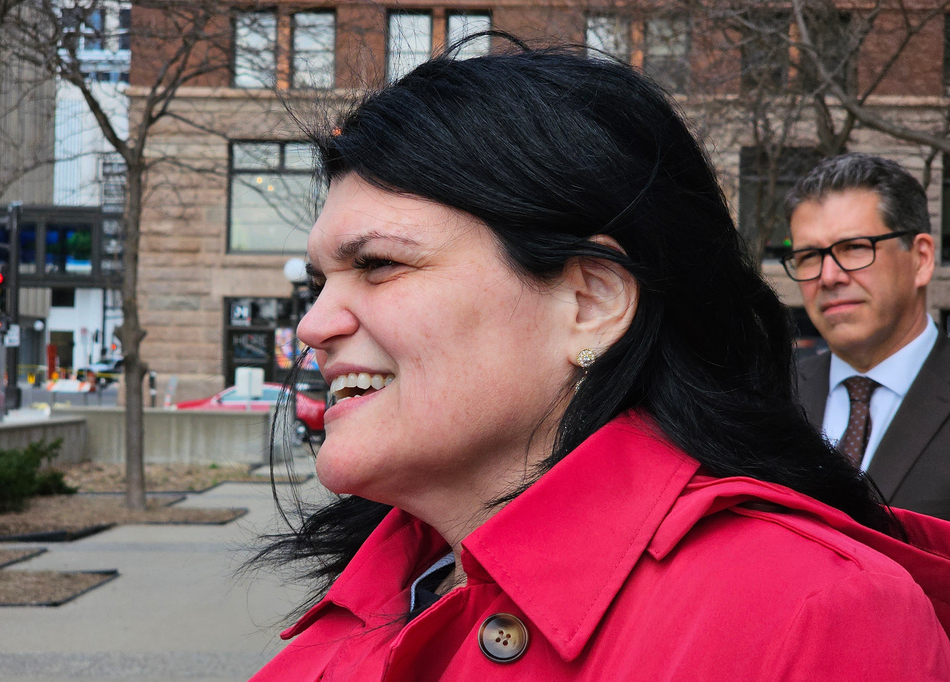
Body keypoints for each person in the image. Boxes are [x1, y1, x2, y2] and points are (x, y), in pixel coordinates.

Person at [248, 47, 950, 681]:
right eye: (320, 281)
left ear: (590, 302)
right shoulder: (369, 602)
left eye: (379, 264)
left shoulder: (813, 614)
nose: (313, 325)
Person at [784, 153, 950, 519]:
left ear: (921, 259)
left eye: (855, 248)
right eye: (809, 256)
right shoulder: (771, 398)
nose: (829, 276)